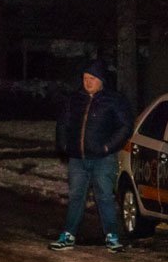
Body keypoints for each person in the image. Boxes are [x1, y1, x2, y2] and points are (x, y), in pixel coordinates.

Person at [50, 59, 133, 252]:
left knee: (104, 196)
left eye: (92, 78)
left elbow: (125, 126)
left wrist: (107, 147)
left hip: (103, 158)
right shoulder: (74, 99)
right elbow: (63, 123)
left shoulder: (113, 100)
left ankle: (111, 236)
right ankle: (68, 235)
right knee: (76, 196)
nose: (88, 82)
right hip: (78, 158)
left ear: (101, 80)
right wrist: (63, 144)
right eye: (85, 78)